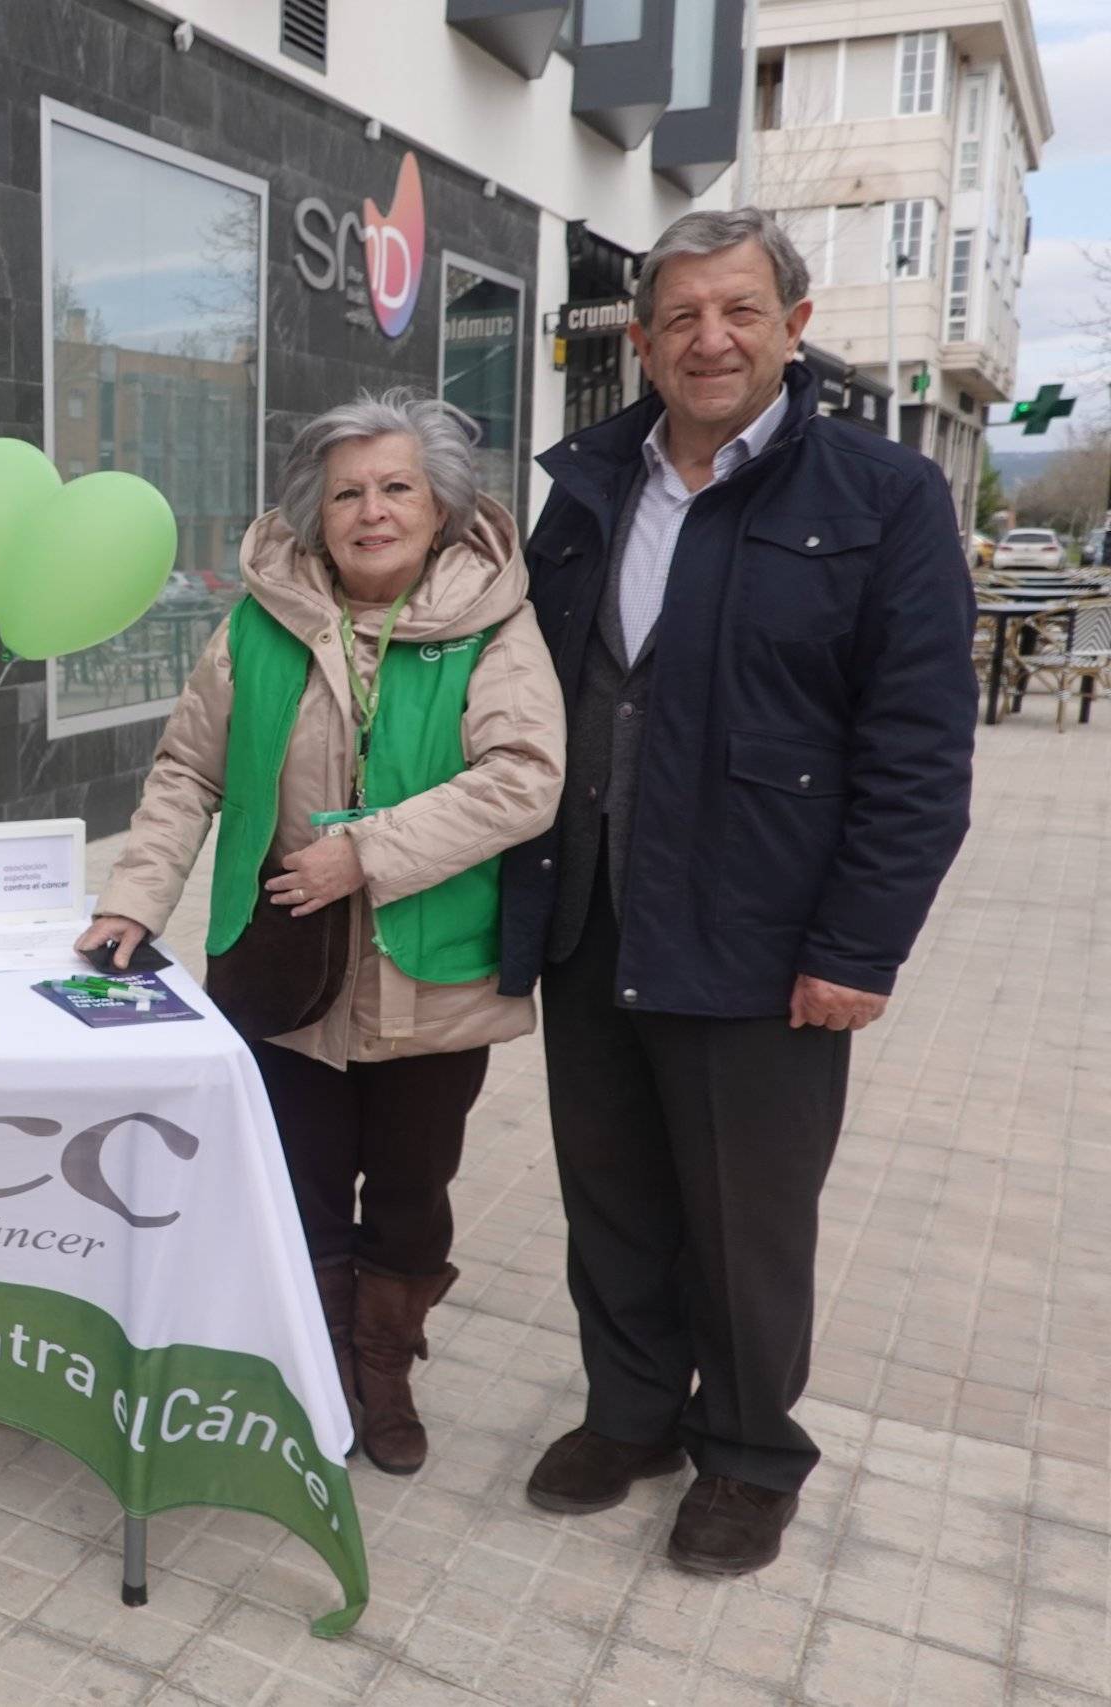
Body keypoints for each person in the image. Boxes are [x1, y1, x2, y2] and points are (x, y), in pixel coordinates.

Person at [503, 208, 975, 1575]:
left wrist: (859, 946)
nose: (712, 338)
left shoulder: (880, 497)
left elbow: (918, 745)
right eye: (683, 316)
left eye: (741, 311)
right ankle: (635, 1412)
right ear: (642, 340)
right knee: (614, 1191)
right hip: (592, 910)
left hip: (763, 936)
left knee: (746, 1215)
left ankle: (751, 1449)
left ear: (794, 326)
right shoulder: (590, 484)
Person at [85, 391, 565, 1475]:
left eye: (397, 487)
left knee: (408, 1196)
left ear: (439, 504)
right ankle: (313, 1369)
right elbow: (185, 771)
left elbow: (525, 778)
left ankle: (383, 1373)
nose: (372, 510)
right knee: (295, 1186)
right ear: (315, 511)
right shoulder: (256, 622)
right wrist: (132, 899)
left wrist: (369, 851)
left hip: (430, 980)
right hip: (281, 971)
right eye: (346, 491)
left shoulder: (494, 621)